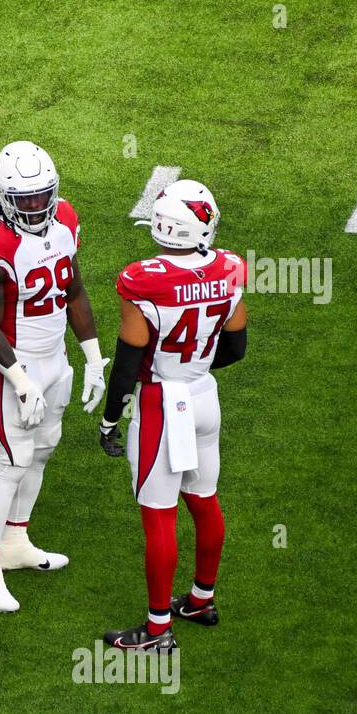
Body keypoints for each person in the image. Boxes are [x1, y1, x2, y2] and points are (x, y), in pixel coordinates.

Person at [97, 179, 248, 651]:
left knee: (159, 515)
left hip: (162, 403)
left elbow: (127, 361)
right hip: (204, 394)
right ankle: (201, 599)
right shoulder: (229, 269)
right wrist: (194, 365)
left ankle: (158, 630)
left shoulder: (142, 279)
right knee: (204, 498)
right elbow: (236, 347)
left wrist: (110, 418)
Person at [0, 141, 108, 613]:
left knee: (42, 452)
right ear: (4, 196)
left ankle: (15, 541)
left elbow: (75, 288)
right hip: (14, 362)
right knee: (10, 461)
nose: (35, 205)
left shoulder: (64, 217)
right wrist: (19, 379)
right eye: (24, 198)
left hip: (55, 358)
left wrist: (92, 356)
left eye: (42, 195)